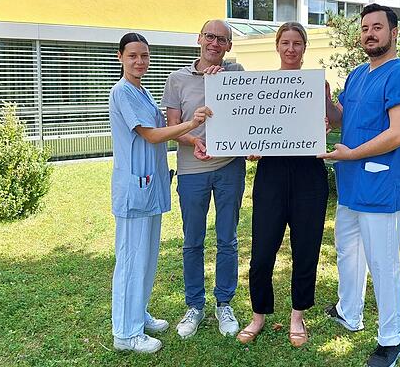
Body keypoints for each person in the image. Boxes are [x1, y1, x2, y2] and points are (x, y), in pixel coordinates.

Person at [319, 4, 400, 367]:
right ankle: (350, 311)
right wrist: (327, 99)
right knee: (348, 250)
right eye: (365, 28)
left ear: (394, 33)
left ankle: (392, 340)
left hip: (381, 185)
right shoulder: (358, 74)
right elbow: (343, 118)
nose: (370, 33)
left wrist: (350, 156)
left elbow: (399, 133)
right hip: (351, 184)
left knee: (383, 263)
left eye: (377, 27)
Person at [109, 32, 212, 353]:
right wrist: (190, 125)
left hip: (150, 184)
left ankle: (137, 314)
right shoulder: (123, 92)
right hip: (134, 187)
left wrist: (193, 139)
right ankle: (126, 333)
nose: (139, 61)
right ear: (120, 58)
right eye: (132, 56)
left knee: (147, 256)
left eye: (144, 56)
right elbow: (152, 135)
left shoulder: (142, 92)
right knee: (130, 259)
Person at [236, 22, 329, 348]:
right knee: (261, 253)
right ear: (277, 46)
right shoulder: (264, 86)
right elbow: (248, 127)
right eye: (285, 43)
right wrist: (249, 144)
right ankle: (258, 315)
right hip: (272, 174)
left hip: (309, 175)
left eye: (297, 43)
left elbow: (338, 120)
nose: (291, 49)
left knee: (306, 250)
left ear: (304, 48)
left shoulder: (318, 83)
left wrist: (327, 102)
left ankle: (297, 316)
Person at [161, 20, 246, 339]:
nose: (214, 43)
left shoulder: (237, 75)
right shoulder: (176, 79)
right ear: (199, 38)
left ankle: (224, 303)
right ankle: (194, 306)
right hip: (192, 170)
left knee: (228, 238)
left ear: (228, 46)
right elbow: (173, 128)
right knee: (192, 240)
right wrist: (193, 140)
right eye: (210, 36)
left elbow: (252, 116)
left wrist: (253, 145)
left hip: (229, 169)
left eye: (222, 39)